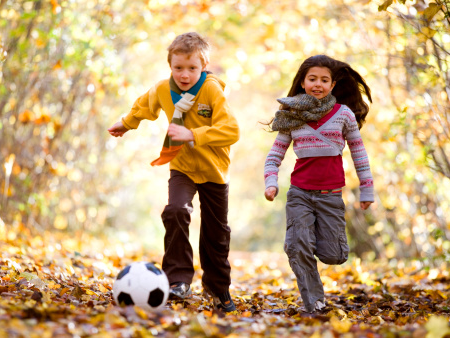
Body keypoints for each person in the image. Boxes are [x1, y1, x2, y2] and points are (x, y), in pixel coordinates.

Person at [108, 32, 240, 313]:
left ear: (203, 66)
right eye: (178, 67)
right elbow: (144, 106)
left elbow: (232, 130)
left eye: (192, 68)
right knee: (176, 211)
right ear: (170, 66)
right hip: (182, 166)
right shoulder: (163, 89)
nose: (184, 74)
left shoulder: (212, 91)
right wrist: (126, 123)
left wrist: (192, 134)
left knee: (216, 234)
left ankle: (218, 288)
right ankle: (178, 280)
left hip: (215, 170)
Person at [263, 55, 374, 313]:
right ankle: (315, 303)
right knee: (298, 248)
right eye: (312, 79)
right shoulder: (292, 116)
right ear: (302, 82)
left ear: (333, 85)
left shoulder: (343, 115)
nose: (318, 84)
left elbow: (359, 153)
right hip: (299, 193)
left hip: (331, 196)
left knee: (334, 255)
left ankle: (309, 243)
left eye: (324, 80)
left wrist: (367, 189)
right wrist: (271, 182)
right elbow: (274, 155)